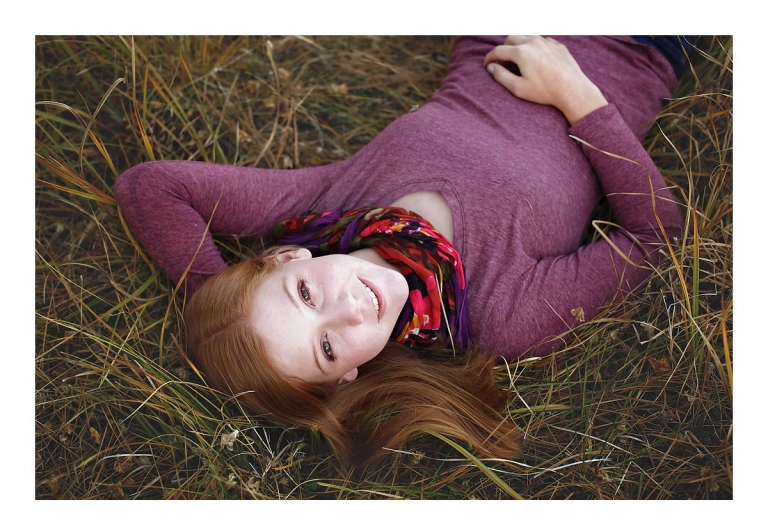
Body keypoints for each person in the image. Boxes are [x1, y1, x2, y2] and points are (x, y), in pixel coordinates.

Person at [114, 36, 686, 470]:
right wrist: (576, 93)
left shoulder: (328, 204)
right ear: (347, 377)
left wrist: (221, 302)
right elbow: (656, 237)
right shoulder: (504, 315)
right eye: (327, 347)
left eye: (305, 295)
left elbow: (151, 187)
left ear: (288, 258)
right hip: (636, 45)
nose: (349, 309)